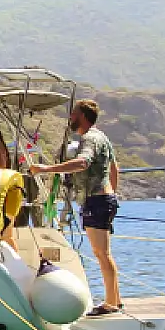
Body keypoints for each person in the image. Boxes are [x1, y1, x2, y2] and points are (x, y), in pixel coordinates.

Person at [28, 98, 121, 315]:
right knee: (103, 253)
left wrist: (46, 169)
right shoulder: (102, 137)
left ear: (82, 117)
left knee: (101, 253)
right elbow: (114, 167)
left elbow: (82, 163)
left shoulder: (89, 139)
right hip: (103, 199)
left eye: (73, 114)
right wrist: (113, 194)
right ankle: (116, 299)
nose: (70, 117)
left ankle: (111, 303)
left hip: (96, 201)